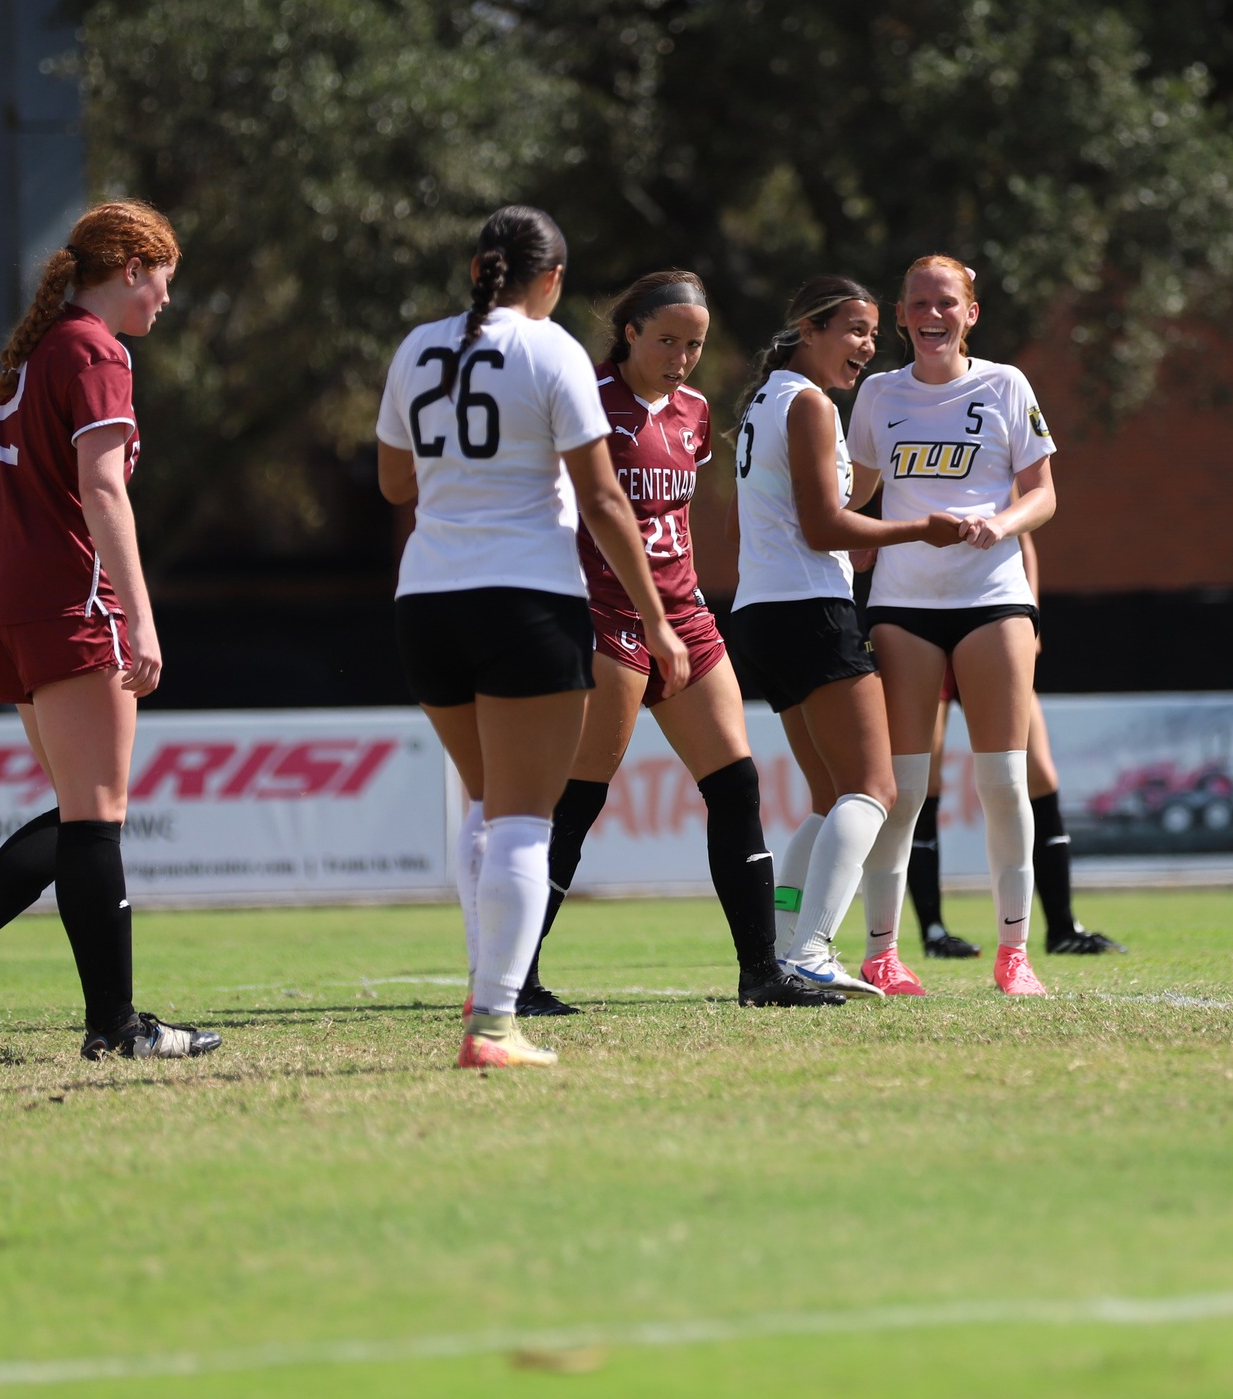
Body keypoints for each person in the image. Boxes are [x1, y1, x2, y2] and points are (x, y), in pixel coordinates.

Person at [0, 200, 221, 1062]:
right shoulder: (94, 351)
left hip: (9, 602)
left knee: (83, 816)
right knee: (97, 817)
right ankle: (114, 1027)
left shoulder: (42, 349)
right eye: (163, 283)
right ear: (130, 269)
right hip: (73, 601)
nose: (165, 302)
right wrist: (140, 614)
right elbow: (104, 491)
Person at [376, 206, 689, 1069]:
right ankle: (492, 1023)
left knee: (481, 804)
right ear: (550, 278)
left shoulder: (416, 348)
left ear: (478, 266)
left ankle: (489, 1001)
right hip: (523, 596)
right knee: (522, 818)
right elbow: (601, 499)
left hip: (427, 598)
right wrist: (655, 618)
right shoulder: (549, 349)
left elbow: (394, 477)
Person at [517, 270, 844, 1015]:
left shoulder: (695, 412)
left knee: (735, 785)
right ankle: (518, 976)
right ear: (629, 331)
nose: (681, 357)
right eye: (667, 340)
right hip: (608, 621)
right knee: (579, 800)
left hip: (686, 618)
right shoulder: (587, 402)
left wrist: (681, 605)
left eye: (693, 344)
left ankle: (761, 971)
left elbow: (677, 525)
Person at [728, 277, 966, 996]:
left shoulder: (768, 399)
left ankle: (777, 950)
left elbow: (811, 520)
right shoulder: (806, 404)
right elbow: (824, 525)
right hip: (808, 609)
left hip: (761, 612)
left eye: (870, 331)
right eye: (854, 329)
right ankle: (811, 951)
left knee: (833, 796)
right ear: (809, 328)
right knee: (876, 787)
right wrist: (918, 527)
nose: (867, 344)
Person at [847, 254, 1057, 997]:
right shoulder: (876, 393)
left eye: (945, 303)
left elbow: (1043, 494)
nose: (931, 316)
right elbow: (855, 497)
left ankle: (1014, 953)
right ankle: (880, 952)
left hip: (992, 599)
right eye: (917, 304)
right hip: (901, 607)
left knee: (1001, 779)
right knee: (900, 789)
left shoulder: (1005, 384)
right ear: (899, 316)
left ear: (971, 312)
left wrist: (1000, 524)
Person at [904, 535, 1123, 957]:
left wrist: (1031, 616)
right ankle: (933, 932)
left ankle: (1062, 927)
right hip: (923, 627)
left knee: (1038, 775)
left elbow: (1025, 538)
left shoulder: (1001, 471)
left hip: (988, 620)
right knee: (920, 785)